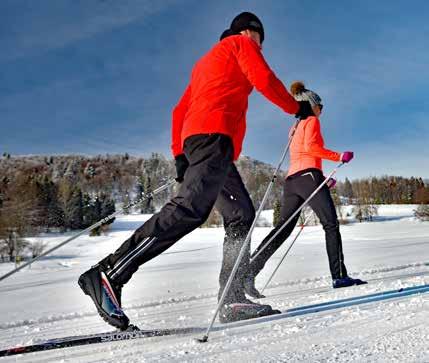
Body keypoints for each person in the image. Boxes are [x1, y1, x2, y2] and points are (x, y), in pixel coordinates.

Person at [78, 12, 309, 330]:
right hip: (214, 139)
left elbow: (179, 111)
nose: (261, 46)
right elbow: (264, 79)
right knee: (189, 209)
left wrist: (180, 157)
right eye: (260, 39)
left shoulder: (205, 64)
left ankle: (232, 297)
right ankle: (109, 273)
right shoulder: (241, 44)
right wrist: (296, 108)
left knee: (241, 213)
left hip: (206, 144)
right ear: (248, 31)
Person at [244, 81, 367, 298]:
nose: (322, 110)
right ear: (312, 105)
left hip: (293, 181)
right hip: (309, 176)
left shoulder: (294, 126)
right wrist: (339, 156)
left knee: (281, 230)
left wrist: (322, 181)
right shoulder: (311, 120)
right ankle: (339, 276)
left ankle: (248, 274)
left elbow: (301, 156)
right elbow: (311, 149)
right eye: (320, 105)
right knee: (330, 224)